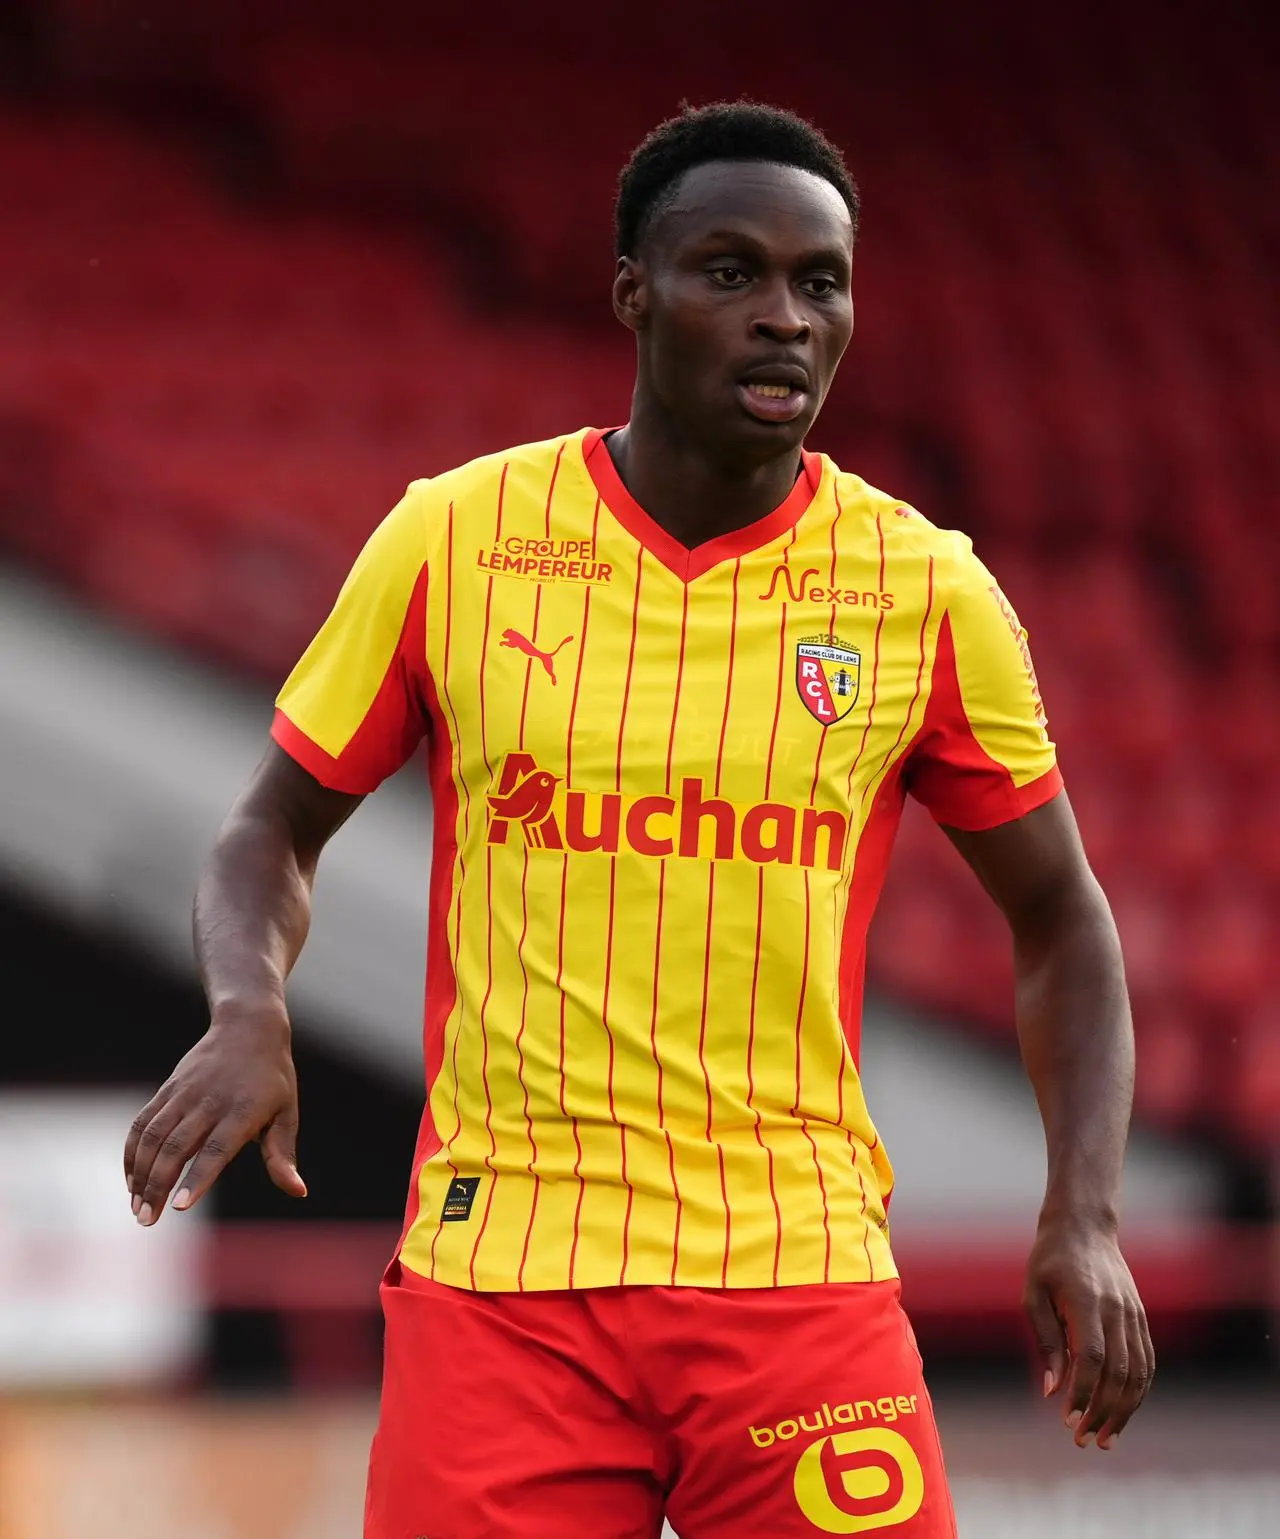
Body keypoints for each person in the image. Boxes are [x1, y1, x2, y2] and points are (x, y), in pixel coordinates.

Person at [124, 101, 1153, 1538]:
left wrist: (1085, 1208)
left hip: (797, 1283)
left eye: (822, 281)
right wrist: (248, 1007)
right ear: (633, 295)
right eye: (731, 273)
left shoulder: (926, 591)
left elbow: (1062, 919)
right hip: (507, 1292)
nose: (786, 317)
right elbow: (268, 829)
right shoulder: (457, 538)